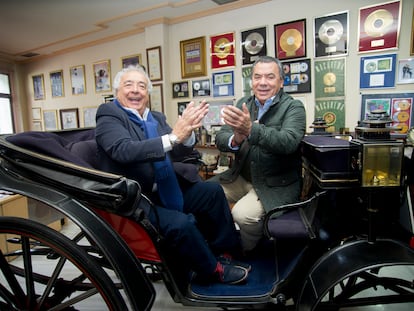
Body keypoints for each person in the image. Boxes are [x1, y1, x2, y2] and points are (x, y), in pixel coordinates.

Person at [95, 65, 250, 285]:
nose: (136, 90)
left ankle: (224, 252)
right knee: (180, 223)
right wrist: (174, 136)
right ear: (117, 91)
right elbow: (123, 150)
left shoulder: (155, 117)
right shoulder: (109, 114)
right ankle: (213, 270)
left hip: (166, 188)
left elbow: (177, 149)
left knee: (212, 192)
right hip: (137, 198)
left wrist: (186, 134)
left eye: (142, 86)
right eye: (128, 85)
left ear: (147, 93)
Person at [211, 56, 306, 253]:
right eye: (257, 77)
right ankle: (225, 241)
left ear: (281, 82)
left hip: (275, 184)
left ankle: (250, 251)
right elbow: (221, 138)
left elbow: (288, 142)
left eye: (270, 77)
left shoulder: (294, 107)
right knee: (202, 195)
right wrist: (236, 138)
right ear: (251, 81)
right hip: (241, 177)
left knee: (243, 215)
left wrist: (250, 130)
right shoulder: (244, 103)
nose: (263, 82)